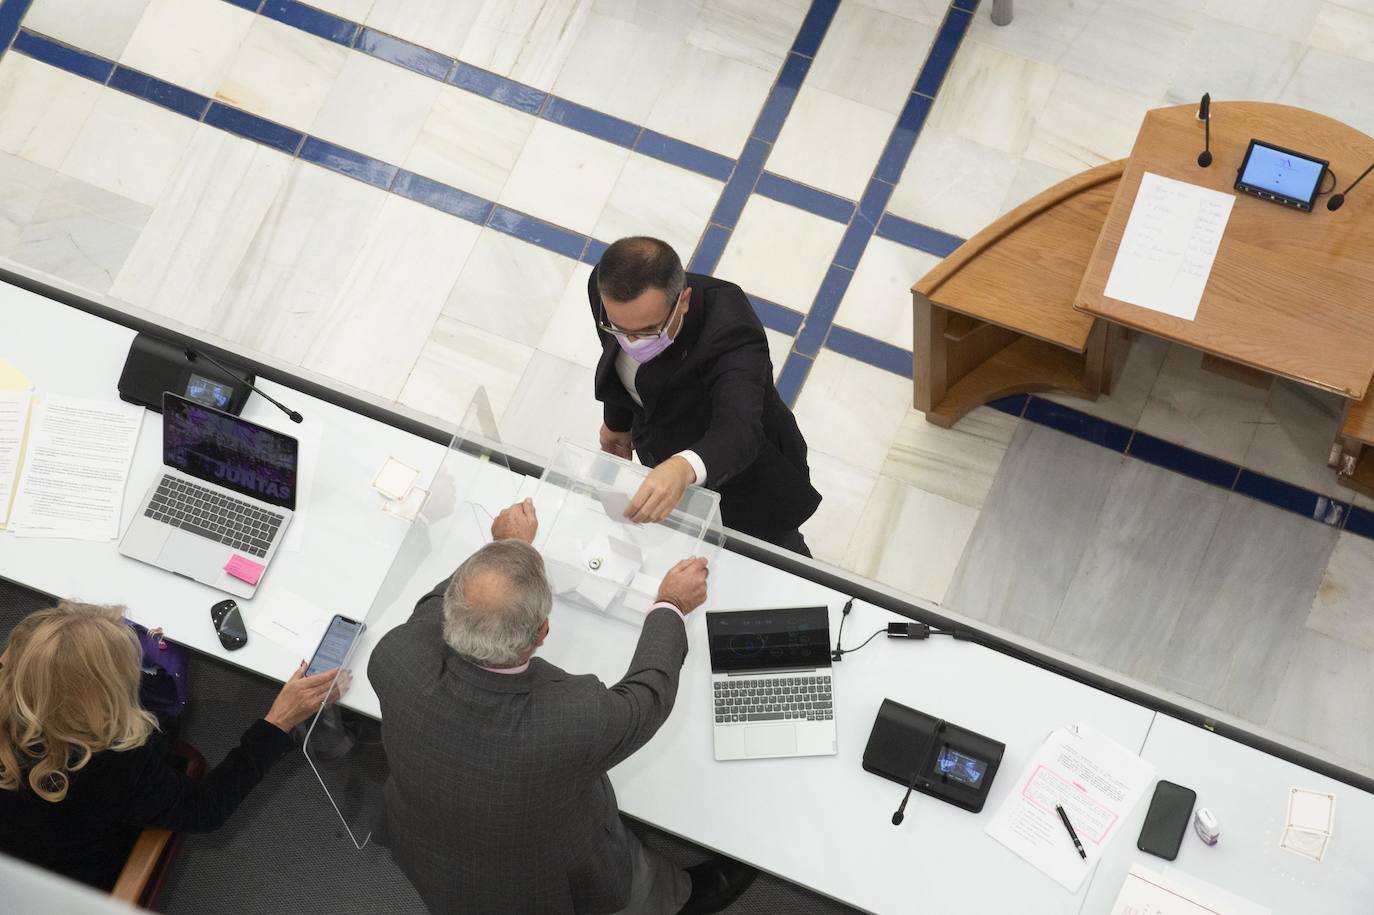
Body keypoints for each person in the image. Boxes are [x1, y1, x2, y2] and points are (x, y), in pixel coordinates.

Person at [369, 498, 756, 914]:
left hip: (427, 854)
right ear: (542, 632)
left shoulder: (396, 656)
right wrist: (671, 605)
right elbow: (648, 698)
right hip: (542, 881)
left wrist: (504, 549)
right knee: (636, 885)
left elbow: (433, 607)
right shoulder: (570, 719)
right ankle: (674, 898)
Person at [0, 601, 345, 890]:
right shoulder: (115, 765)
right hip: (64, 886)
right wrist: (279, 720)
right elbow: (206, 809)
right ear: (100, 699)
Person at [588, 236, 822, 555]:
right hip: (661, 448)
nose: (631, 341)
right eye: (619, 327)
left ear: (683, 301)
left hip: (746, 481)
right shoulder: (606, 290)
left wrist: (682, 467)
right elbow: (616, 359)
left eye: (647, 331)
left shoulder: (730, 329)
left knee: (775, 556)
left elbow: (739, 430)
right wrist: (617, 423)